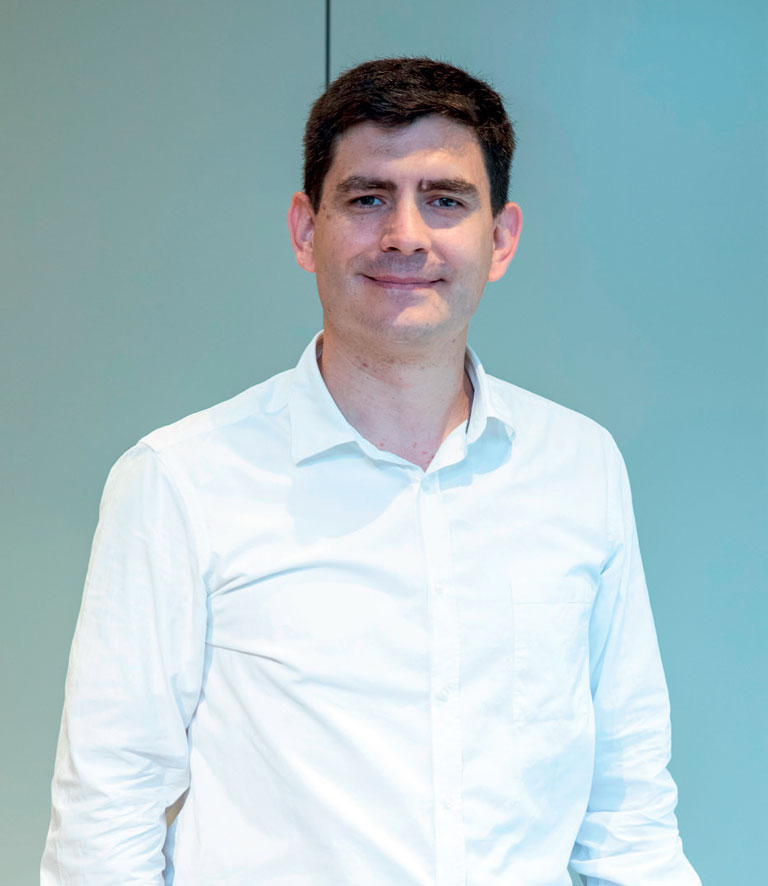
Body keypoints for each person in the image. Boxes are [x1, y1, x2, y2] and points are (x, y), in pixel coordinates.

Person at [41, 57, 701, 885]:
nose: (406, 235)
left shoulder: (579, 465)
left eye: (445, 199)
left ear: (501, 239)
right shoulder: (180, 480)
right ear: (305, 230)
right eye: (367, 198)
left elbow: (628, 812)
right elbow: (106, 819)